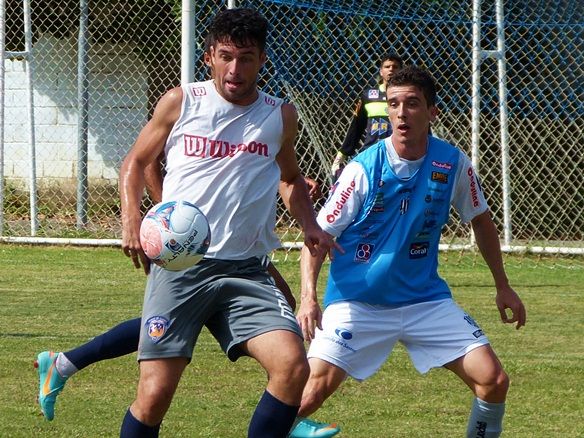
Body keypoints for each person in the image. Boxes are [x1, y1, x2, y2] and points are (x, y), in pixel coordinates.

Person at [115, 8, 339, 437]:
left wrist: (309, 223)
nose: (235, 69)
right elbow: (136, 161)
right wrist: (132, 219)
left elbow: (290, 178)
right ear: (210, 57)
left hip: (247, 269)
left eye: (247, 58)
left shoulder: (279, 116)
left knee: (292, 366)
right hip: (182, 269)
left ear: (262, 60)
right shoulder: (183, 101)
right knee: (154, 394)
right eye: (226, 56)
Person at [291, 66, 527, 437]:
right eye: (394, 104)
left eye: (412, 104)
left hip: (424, 301)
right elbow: (317, 239)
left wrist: (503, 285)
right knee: (308, 395)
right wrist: (308, 297)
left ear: (432, 113)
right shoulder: (363, 169)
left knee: (493, 380)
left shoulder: (452, 163)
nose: (401, 113)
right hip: (357, 301)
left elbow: (481, 221)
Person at [330, 53, 403, 180]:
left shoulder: (407, 97)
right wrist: (341, 155)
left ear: (401, 71)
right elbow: (356, 127)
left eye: (395, 67)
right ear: (381, 72)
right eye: (387, 67)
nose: (391, 69)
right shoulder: (369, 96)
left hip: (398, 156)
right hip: (371, 154)